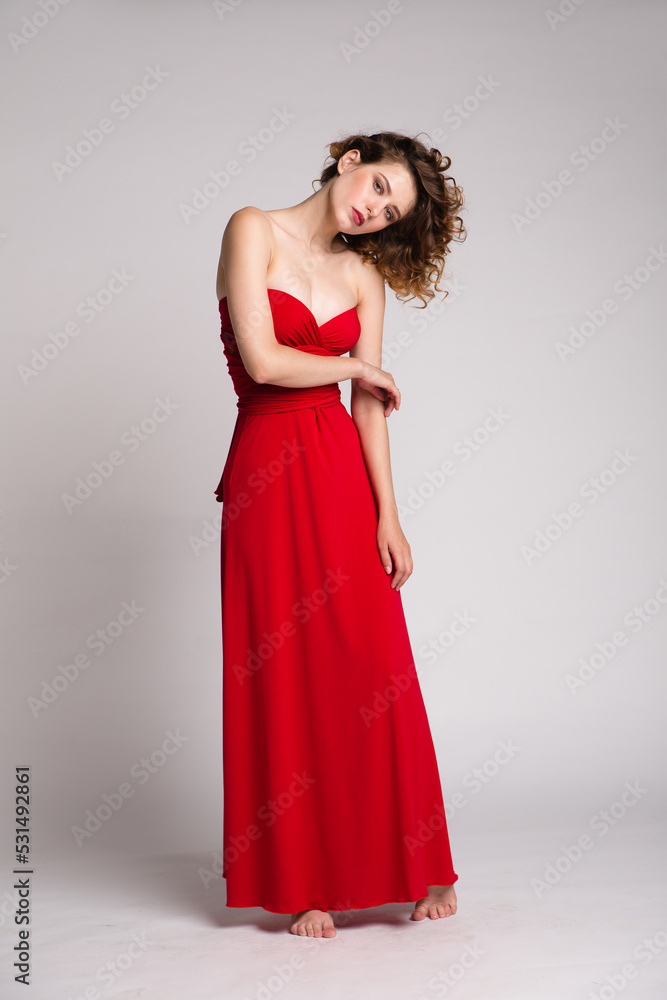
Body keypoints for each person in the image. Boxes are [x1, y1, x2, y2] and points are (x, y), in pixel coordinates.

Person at [214, 130, 466, 938]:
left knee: (373, 663)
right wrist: (355, 366)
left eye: (389, 210)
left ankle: (419, 865)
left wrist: (388, 513)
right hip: (265, 468)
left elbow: (368, 410)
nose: (372, 208)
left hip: (338, 478)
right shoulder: (251, 226)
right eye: (379, 184)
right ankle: (305, 883)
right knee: (285, 670)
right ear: (351, 160)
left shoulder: (363, 278)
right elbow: (260, 360)